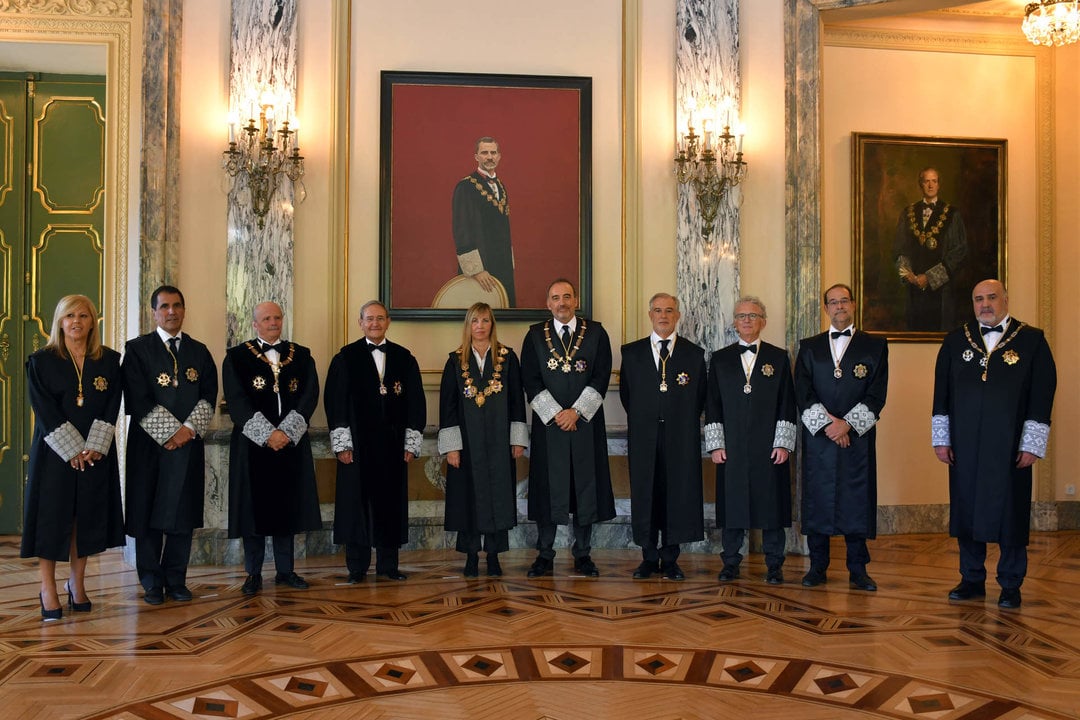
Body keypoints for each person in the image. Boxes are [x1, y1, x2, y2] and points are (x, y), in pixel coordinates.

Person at [932, 279, 1056, 610]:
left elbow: (1042, 396)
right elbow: (941, 393)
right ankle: (971, 578)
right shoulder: (956, 340)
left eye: (991, 297)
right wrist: (941, 438)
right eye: (978, 299)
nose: (985, 304)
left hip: (1010, 449)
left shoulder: (1032, 340)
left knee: (1010, 513)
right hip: (965, 447)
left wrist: (1032, 443)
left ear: (1005, 299)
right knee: (966, 509)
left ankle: (1010, 584)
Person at [22, 295, 125, 620]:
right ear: (60, 321)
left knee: (85, 518)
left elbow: (112, 404)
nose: (76, 321)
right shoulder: (42, 361)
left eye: (83, 315)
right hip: (55, 454)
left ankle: (76, 584)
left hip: (95, 453)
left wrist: (94, 445)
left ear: (93, 321)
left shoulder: (108, 360)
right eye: (69, 315)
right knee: (52, 519)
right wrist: (72, 450)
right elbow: (44, 409)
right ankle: (47, 588)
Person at [123, 285, 217, 605]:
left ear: (184, 310)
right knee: (147, 513)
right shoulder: (136, 350)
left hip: (187, 447)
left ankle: (176, 579)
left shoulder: (200, 352)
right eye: (164, 307)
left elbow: (208, 395)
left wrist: (187, 431)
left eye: (177, 305)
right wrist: (168, 433)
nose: (171, 312)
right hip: (148, 448)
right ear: (154, 312)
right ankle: (151, 582)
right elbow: (137, 396)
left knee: (182, 515)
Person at [223, 302, 322, 595]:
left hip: (290, 446)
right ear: (255, 324)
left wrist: (287, 432)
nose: (273, 322)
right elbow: (237, 401)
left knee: (286, 508)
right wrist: (268, 434)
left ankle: (285, 570)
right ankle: (253, 573)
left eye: (277, 317)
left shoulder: (301, 356)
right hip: (253, 447)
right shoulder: (237, 357)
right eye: (266, 318)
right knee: (253, 510)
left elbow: (309, 395)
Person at [794, 283, 888, 591]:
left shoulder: (875, 346)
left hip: (856, 440)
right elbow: (802, 391)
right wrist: (828, 426)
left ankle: (858, 570)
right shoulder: (809, 346)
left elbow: (877, 394)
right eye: (832, 302)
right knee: (818, 498)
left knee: (856, 500)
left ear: (854, 304)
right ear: (825, 308)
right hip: (820, 439)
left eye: (843, 301)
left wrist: (846, 425)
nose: (839, 307)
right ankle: (817, 567)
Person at [520, 278, 615, 577]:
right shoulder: (534, 335)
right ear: (548, 303)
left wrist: (576, 412)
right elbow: (530, 380)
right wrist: (556, 414)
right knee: (548, 490)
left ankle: (583, 554)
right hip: (550, 429)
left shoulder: (597, 333)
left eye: (567, 297)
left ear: (576, 300)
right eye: (555, 298)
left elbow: (601, 376)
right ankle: (545, 554)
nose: (561, 302)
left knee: (584, 490)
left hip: (585, 426)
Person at [325, 300, 425, 582]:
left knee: (390, 505)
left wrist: (411, 443)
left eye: (380, 318)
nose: (375, 323)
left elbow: (416, 403)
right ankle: (356, 568)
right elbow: (335, 403)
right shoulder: (345, 358)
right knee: (355, 505)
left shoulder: (404, 358)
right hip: (356, 448)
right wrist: (342, 444)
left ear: (388, 321)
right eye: (369, 319)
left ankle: (388, 566)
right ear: (360, 322)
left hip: (393, 448)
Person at [705, 296, 797, 584]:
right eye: (742, 316)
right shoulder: (720, 359)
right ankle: (731, 562)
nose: (747, 320)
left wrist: (783, 443)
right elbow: (713, 404)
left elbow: (787, 402)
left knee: (771, 505)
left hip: (769, 446)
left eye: (753, 315)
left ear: (763, 322)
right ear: (734, 322)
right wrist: (716, 444)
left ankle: (774, 564)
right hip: (731, 446)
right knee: (732, 504)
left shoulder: (779, 357)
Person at [618, 293, 706, 581]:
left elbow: (700, 398)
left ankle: (670, 558)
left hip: (680, 438)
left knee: (676, 494)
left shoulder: (694, 355)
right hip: (644, 437)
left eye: (669, 310)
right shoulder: (631, 353)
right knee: (646, 494)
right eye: (658, 310)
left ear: (678, 315)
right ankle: (648, 556)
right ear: (650, 314)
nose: (663, 316)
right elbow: (627, 397)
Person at [438, 303, 528, 577]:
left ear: (492, 324)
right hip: (466, 444)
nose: (480, 325)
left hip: (499, 442)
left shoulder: (507, 358)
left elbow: (516, 401)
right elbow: (448, 406)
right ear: (468, 325)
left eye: (485, 320)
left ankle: (493, 555)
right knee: (468, 499)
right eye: (475, 320)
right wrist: (452, 446)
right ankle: (470, 556)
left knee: (498, 498)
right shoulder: (455, 361)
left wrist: (517, 439)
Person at [894, 166, 968, 332]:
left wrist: (930, 277)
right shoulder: (908, 213)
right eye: (926, 181)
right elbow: (900, 247)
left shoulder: (952, 214)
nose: (930, 185)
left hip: (942, 291)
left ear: (939, 185)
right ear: (921, 184)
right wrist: (909, 275)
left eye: (934, 181)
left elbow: (959, 251)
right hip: (913, 288)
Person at [452, 136, 516, 306]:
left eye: (493, 153)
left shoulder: (501, 186)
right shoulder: (465, 187)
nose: (489, 157)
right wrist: (476, 271)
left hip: (502, 265)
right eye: (485, 152)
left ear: (499, 156)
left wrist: (509, 265)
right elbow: (462, 231)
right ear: (476, 157)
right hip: (480, 270)